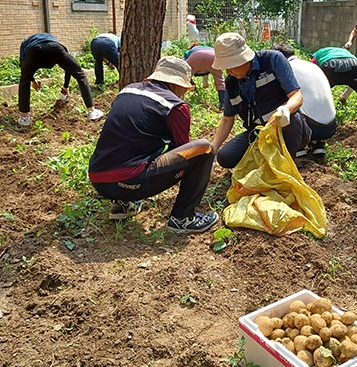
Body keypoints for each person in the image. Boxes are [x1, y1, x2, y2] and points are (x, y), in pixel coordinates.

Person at [88, 56, 219, 233]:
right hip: (130, 180)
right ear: (178, 84)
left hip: (98, 179)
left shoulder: (128, 90)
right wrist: (205, 168)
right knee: (204, 149)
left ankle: (122, 205)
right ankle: (183, 217)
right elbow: (184, 152)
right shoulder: (175, 106)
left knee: (139, 144)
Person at [210, 32, 311, 169]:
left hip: (284, 127)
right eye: (225, 67)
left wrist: (286, 110)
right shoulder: (232, 83)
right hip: (259, 132)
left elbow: (297, 96)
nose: (229, 71)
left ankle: (285, 167)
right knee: (226, 157)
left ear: (243, 59)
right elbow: (227, 119)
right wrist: (212, 152)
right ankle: (264, 158)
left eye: (231, 66)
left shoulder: (272, 60)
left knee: (293, 120)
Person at [18, 33, 103, 127]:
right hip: (55, 49)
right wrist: (65, 86)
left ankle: (24, 118)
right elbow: (68, 69)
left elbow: (23, 67)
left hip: (35, 51)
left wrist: (31, 80)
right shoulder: (53, 40)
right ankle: (91, 111)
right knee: (80, 75)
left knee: (24, 81)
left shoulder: (25, 43)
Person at [272, 43, 337, 157]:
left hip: (312, 127)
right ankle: (317, 143)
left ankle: (299, 146)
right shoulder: (313, 66)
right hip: (331, 126)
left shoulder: (286, 69)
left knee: (285, 106)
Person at [183, 44, 227, 110]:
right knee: (220, 80)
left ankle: (179, 100)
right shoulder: (208, 48)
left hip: (196, 57)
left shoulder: (189, 51)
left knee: (184, 77)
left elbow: (183, 63)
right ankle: (223, 104)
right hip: (213, 56)